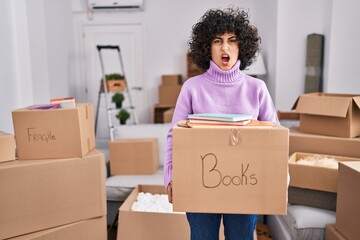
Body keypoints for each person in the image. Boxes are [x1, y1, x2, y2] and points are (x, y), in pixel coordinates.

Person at [163, 7, 279, 240]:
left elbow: (275, 139)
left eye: (232, 40)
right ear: (208, 47)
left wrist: (279, 178)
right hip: (199, 183)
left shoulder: (257, 89)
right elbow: (174, 135)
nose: (225, 47)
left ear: (241, 46)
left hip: (246, 186)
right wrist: (171, 176)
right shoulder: (192, 88)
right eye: (218, 41)